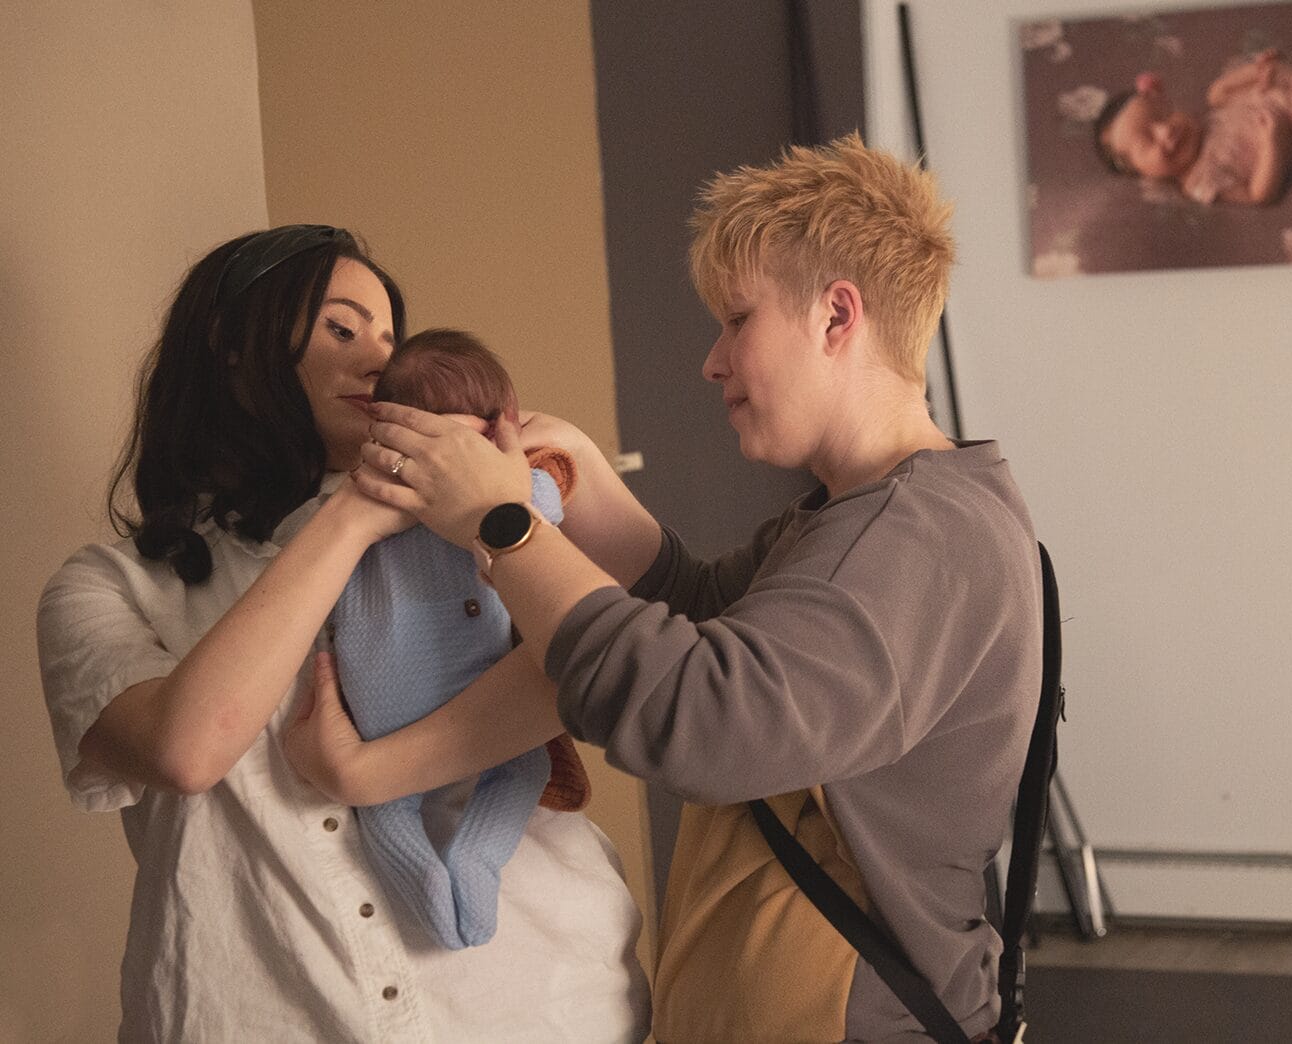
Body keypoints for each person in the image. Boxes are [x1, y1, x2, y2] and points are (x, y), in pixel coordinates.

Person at [287, 136, 1044, 1041]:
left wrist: (506, 526)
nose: (713, 362)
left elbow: (708, 722)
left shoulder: (911, 540)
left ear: (837, 317)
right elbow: (716, 616)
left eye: (737, 320)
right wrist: (592, 488)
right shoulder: (864, 517)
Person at [36, 225, 650, 1042]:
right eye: (342, 328)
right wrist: (357, 513)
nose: (378, 360)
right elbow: (188, 749)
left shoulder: (471, 528)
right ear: (232, 346)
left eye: (391, 337)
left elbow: (583, 667)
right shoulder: (108, 589)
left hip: (534, 1002)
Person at [330, 327, 591, 951]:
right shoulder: (516, 489)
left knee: (387, 806)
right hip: (473, 695)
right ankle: (475, 861)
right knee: (521, 766)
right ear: (500, 426)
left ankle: (416, 869)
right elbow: (542, 518)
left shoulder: (350, 503)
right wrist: (513, 471)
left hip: (374, 709)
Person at [1094, 50, 1292, 205]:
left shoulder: (1202, 123)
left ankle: (1274, 72)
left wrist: (1257, 72)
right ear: (1142, 174)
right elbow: (1259, 194)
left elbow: (1226, 93)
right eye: (1148, 141)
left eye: (1164, 115)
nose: (1165, 130)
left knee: (1216, 92)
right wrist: (1272, 143)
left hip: (1283, 92)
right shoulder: (1200, 182)